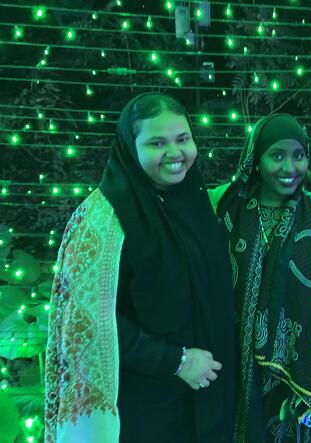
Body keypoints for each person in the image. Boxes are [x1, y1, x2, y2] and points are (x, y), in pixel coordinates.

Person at [44, 93, 236, 443]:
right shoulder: (102, 222)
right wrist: (175, 361)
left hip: (203, 396)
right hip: (141, 407)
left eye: (183, 139)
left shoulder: (193, 203)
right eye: (157, 143)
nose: (175, 154)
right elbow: (89, 324)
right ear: (131, 148)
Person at [208, 113, 311, 442]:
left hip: (292, 363)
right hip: (228, 353)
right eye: (277, 155)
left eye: (299, 155)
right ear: (256, 158)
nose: (290, 168)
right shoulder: (224, 204)